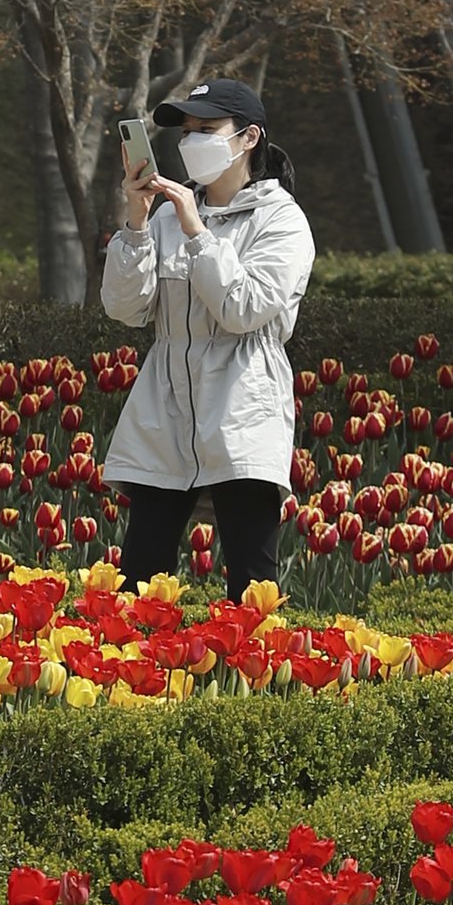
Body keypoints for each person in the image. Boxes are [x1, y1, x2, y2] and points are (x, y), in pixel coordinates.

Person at [99, 79, 316, 605]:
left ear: (248, 138)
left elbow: (245, 310)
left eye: (207, 129)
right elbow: (126, 309)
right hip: (165, 407)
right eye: (187, 131)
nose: (191, 141)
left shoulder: (281, 219)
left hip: (242, 406)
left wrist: (199, 234)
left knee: (251, 582)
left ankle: (259, 685)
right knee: (139, 582)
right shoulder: (167, 215)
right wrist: (136, 221)